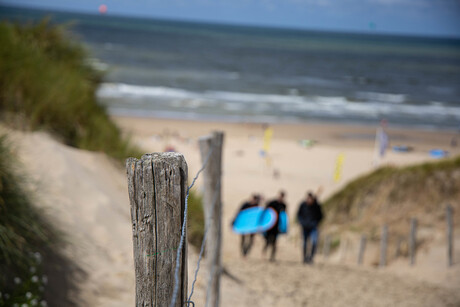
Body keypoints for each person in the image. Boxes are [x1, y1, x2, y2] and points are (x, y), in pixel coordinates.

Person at [297, 190, 323, 264]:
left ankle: (311, 257)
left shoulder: (316, 206)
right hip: (304, 227)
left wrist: (316, 223)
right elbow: (299, 215)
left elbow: (320, 216)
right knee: (304, 243)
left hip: (313, 227)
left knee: (314, 242)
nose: (309, 200)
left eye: (310, 199)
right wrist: (301, 223)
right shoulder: (302, 205)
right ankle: (304, 257)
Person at [262, 191, 287, 262]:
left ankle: (272, 257)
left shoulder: (283, 205)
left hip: (277, 226)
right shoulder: (272, 202)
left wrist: (284, 227)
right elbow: (265, 210)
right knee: (267, 241)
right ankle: (264, 255)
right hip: (269, 225)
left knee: (274, 242)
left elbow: (284, 216)